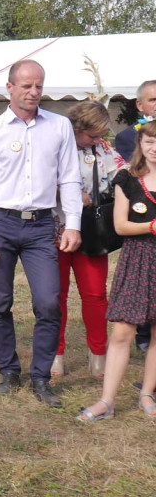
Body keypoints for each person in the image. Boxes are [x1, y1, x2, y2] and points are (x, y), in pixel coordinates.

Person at [0, 59, 82, 408]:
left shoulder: (60, 127)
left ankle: (41, 377)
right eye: (26, 86)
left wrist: (73, 223)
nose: (33, 92)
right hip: (1, 223)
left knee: (49, 302)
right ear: (10, 88)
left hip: (40, 226)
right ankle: (8, 370)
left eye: (38, 86)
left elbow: (70, 178)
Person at [77, 119, 156, 422]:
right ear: (140, 143)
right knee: (123, 331)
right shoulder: (128, 178)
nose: (153, 148)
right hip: (137, 260)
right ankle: (107, 401)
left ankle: (147, 392)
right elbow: (120, 224)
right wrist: (151, 226)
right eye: (148, 141)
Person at [52, 102, 125, 380]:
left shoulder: (102, 150)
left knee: (95, 295)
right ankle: (55, 354)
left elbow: (124, 172)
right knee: (54, 297)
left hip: (91, 233)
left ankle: (98, 354)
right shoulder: (54, 145)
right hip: (53, 231)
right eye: (92, 135)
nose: (97, 141)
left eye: (100, 136)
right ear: (76, 127)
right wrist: (65, 194)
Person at [114, 80, 156, 353]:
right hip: (141, 235)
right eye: (153, 100)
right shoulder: (128, 137)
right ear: (140, 105)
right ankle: (142, 334)